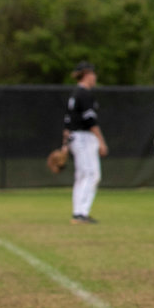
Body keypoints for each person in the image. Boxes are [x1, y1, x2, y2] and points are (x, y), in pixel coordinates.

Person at [62, 60, 107, 224]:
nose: (94, 77)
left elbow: (67, 122)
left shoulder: (75, 94)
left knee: (82, 175)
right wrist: (102, 142)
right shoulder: (84, 94)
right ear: (87, 75)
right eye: (93, 74)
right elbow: (91, 122)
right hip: (84, 137)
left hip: (75, 137)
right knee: (91, 174)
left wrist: (65, 144)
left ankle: (78, 211)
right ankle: (81, 212)